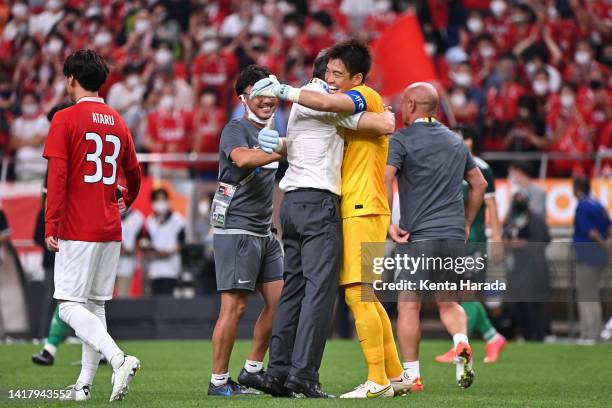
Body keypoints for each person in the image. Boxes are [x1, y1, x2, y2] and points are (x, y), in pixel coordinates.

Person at [250, 40, 410, 399]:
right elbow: (377, 122)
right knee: (340, 293)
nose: (333, 80)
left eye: (339, 74)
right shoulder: (326, 101)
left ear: (356, 78)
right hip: (333, 205)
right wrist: (386, 119)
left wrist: (278, 142)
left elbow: (375, 122)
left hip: (322, 205)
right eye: (330, 73)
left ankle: (283, 372)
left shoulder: (358, 94)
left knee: (337, 292)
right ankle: (312, 376)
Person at [42, 50, 142, 402]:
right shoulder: (117, 120)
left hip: (76, 225)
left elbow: (57, 177)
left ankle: (118, 358)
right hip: (109, 226)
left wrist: (50, 222)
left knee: (69, 305)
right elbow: (134, 173)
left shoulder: (65, 119)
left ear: (71, 78)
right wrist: (125, 199)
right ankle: (83, 387)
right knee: (95, 305)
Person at [384, 82, 487, 391]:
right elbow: (478, 183)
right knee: (448, 302)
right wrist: (467, 222)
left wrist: (389, 223)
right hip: (453, 235)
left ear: (412, 105)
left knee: (408, 305)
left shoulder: (401, 139)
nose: (402, 109)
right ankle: (461, 342)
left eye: (404, 103)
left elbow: (386, 178)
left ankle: (413, 376)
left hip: (419, 237)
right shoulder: (456, 142)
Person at [208, 65, 284, 397]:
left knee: (280, 302)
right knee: (235, 307)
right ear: (244, 97)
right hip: (236, 228)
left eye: (271, 93)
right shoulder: (235, 129)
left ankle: (252, 370)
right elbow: (241, 159)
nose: (267, 99)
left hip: (265, 230)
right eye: (259, 93)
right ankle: (218, 381)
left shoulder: (273, 132)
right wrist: (281, 148)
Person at [434, 124, 507, 365]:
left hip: (474, 240)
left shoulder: (481, 168)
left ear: (471, 142)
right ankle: (492, 337)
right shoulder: (448, 164)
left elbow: (492, 205)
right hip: (456, 239)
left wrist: (496, 238)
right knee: (463, 294)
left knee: (467, 293)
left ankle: (460, 345)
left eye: (462, 138)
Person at [32, 102, 74, 366]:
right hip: (88, 230)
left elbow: (53, 201)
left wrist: (51, 230)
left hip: (73, 233)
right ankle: (51, 347)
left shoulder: (63, 156)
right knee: (83, 298)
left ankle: (110, 353)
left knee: (70, 295)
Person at [502, 189, 550, 341]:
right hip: (515, 270)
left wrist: (524, 244)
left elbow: (544, 239)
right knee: (517, 305)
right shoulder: (510, 220)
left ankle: (537, 336)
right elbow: (504, 237)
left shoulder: (535, 219)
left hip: (532, 269)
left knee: (532, 305)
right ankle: (525, 334)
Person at [572, 177, 610, 342]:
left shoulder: (583, 206)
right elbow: (609, 227)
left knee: (586, 295)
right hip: (599, 257)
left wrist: (603, 245)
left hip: (587, 256)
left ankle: (589, 333)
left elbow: (591, 232)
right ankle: (594, 330)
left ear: (578, 188)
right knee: (592, 293)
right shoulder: (598, 204)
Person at [142, 188, 185, 296]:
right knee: (155, 302)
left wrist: (169, 252)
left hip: (171, 269)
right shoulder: (150, 221)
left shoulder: (177, 219)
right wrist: (154, 253)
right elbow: (146, 243)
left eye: (162, 199)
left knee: (168, 302)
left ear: (167, 200)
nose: (160, 202)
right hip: (154, 270)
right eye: (157, 200)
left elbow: (182, 242)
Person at [116, 207, 145, 298]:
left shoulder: (137, 217)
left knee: (123, 296)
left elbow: (142, 241)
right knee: (102, 298)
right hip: (107, 262)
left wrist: (131, 250)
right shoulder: (107, 212)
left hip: (127, 262)